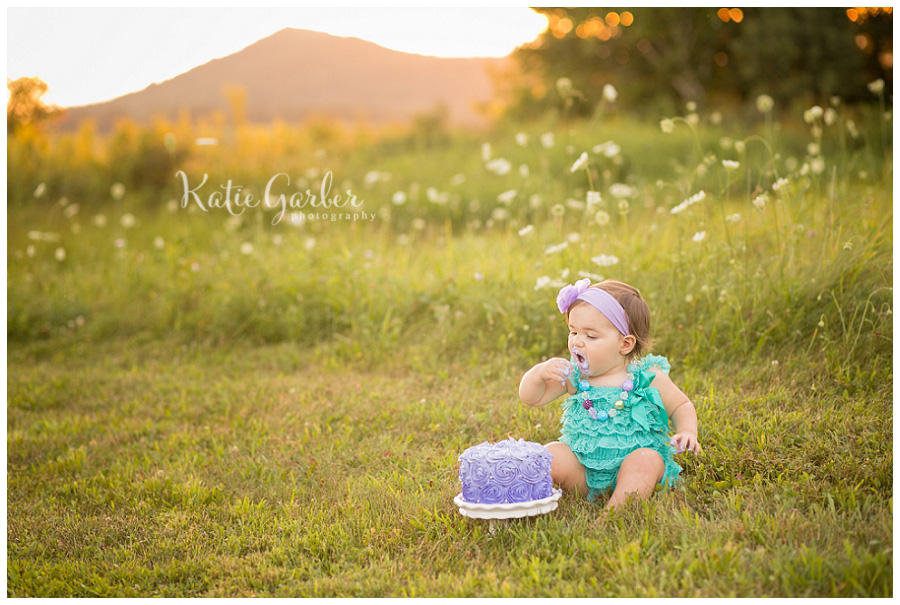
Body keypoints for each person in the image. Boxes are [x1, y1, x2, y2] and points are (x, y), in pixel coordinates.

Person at [518, 278, 701, 508]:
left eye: (590, 336)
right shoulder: (575, 376)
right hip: (584, 471)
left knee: (646, 460)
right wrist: (538, 373)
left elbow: (680, 405)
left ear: (625, 344)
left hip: (633, 465)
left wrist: (687, 431)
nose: (577, 342)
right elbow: (532, 397)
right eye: (573, 332)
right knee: (552, 453)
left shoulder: (646, 377)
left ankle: (615, 511)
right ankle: (523, 501)